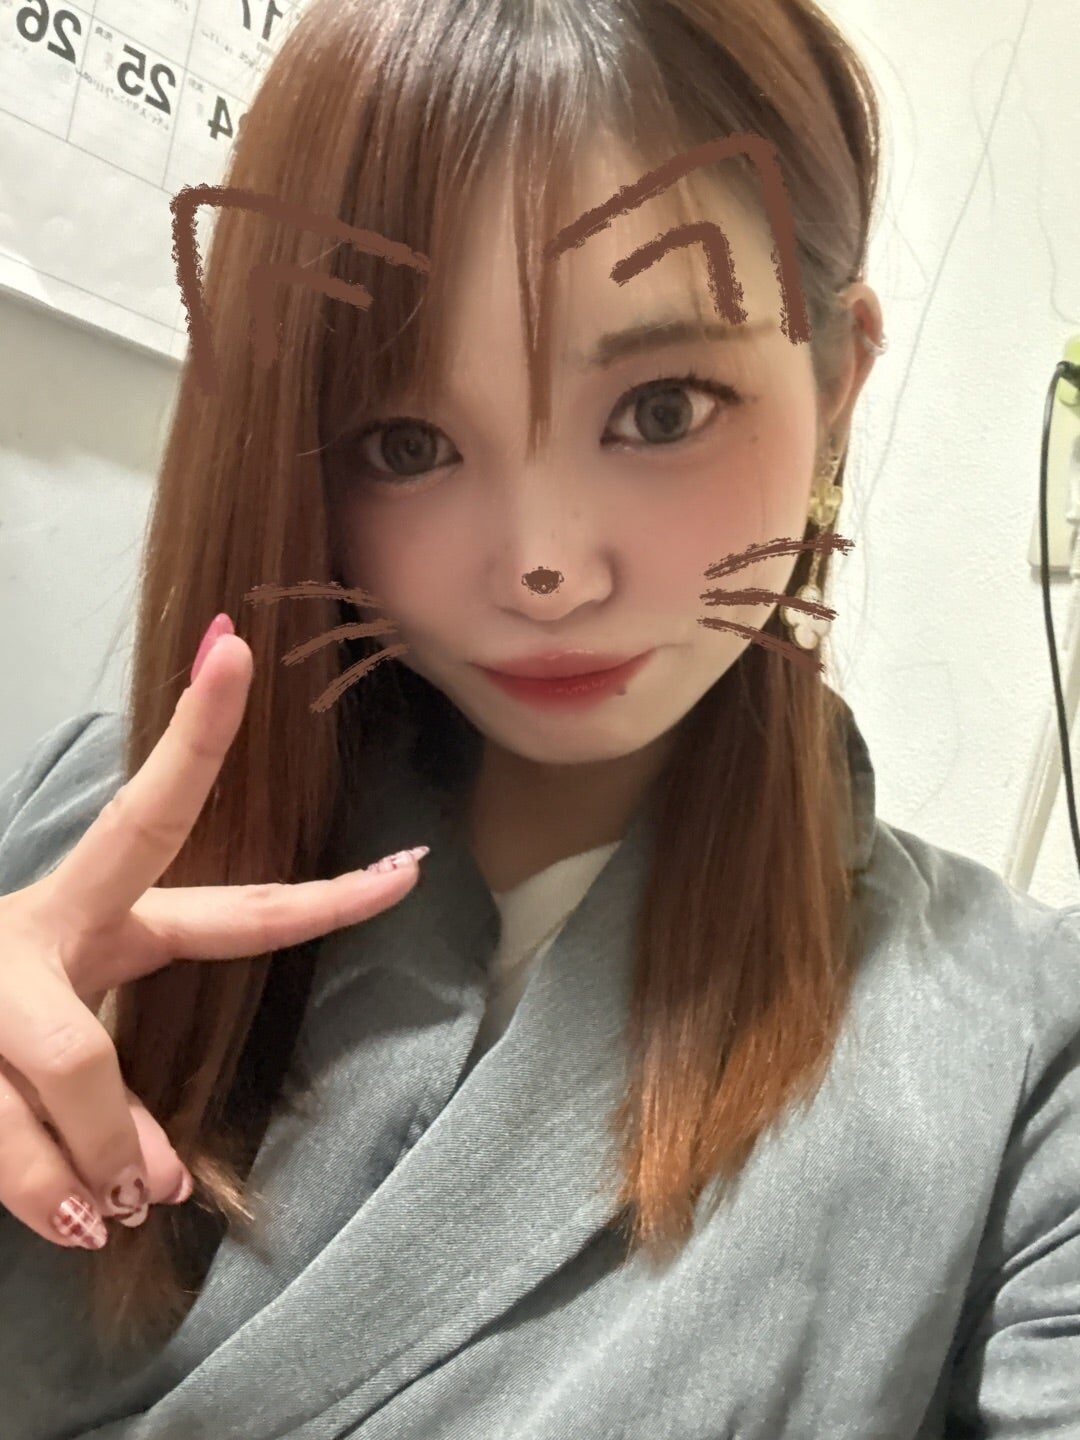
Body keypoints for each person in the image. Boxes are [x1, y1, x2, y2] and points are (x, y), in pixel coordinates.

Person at [0, 0, 1078, 1435]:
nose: (545, 566)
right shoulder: (75, 837)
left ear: (834, 386)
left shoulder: (1021, 1057)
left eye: (663, 408)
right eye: (409, 442)